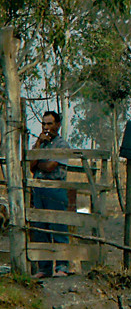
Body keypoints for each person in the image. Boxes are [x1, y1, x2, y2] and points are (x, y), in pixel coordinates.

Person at [29, 111, 71, 277]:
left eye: (50, 124)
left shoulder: (62, 145)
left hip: (55, 189)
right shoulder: (41, 144)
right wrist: (39, 144)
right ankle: (44, 268)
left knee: (58, 228)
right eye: (44, 124)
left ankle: (62, 267)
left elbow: (50, 167)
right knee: (40, 230)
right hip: (39, 190)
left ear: (57, 125)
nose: (46, 128)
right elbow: (32, 166)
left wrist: (39, 162)